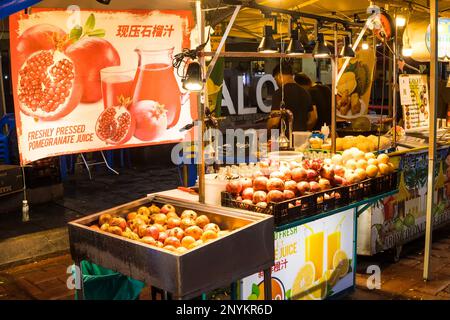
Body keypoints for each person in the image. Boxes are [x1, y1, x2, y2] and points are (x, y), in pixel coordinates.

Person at [269, 63, 317, 131]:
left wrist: (266, 130)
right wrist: (301, 131)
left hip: (284, 139)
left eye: (275, 80)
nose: (276, 83)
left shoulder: (279, 93)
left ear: (279, 76)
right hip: (302, 139)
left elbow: (274, 123)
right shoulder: (305, 92)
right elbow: (313, 118)